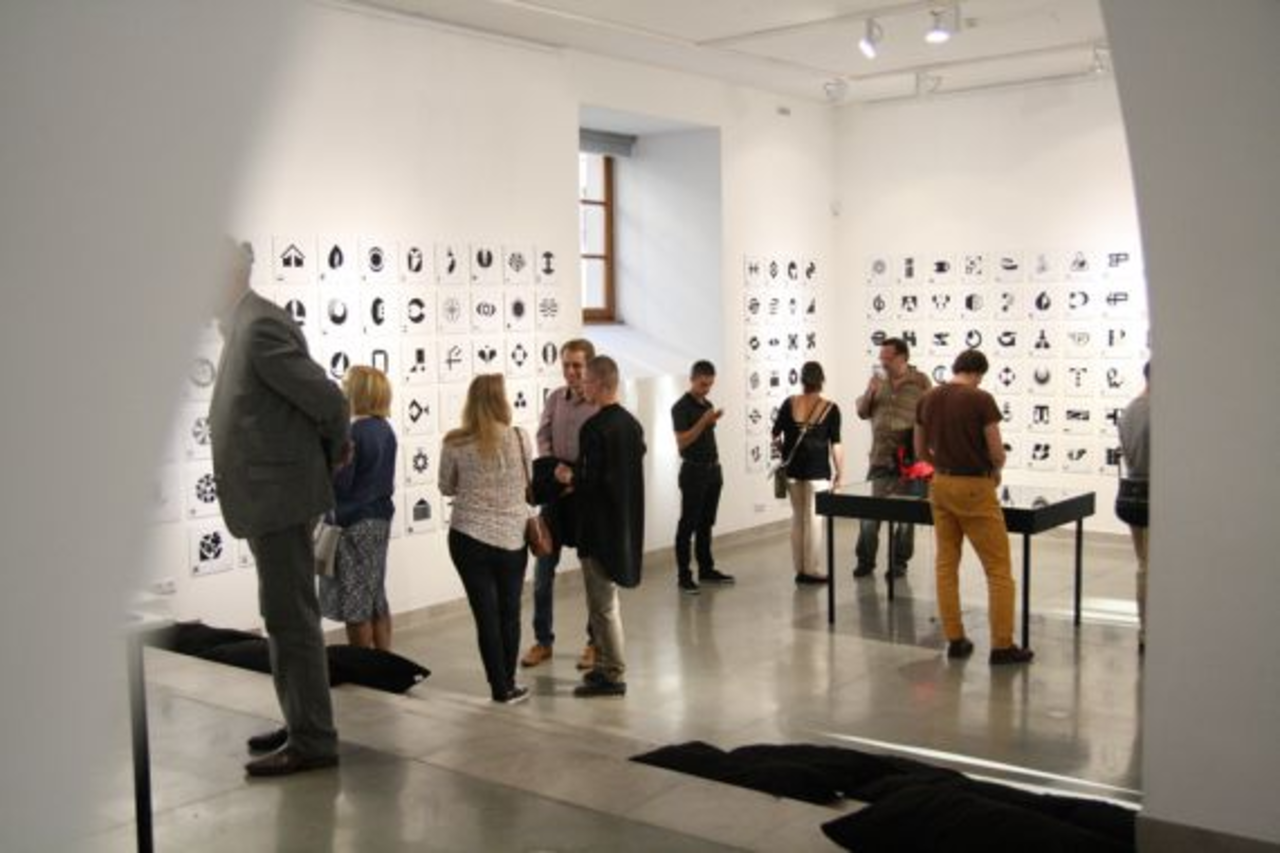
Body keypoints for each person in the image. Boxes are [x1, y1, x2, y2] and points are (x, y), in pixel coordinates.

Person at [209, 240, 350, 777]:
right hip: (271, 499)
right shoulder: (241, 326)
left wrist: (332, 451)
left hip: (282, 499)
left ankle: (313, 738)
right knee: (283, 617)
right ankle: (301, 721)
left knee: (291, 619)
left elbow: (328, 400)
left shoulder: (258, 327)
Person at [914, 349, 1033, 666]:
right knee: (998, 569)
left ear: (956, 368)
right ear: (978, 373)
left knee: (946, 564)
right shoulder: (980, 399)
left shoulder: (927, 399)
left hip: (940, 484)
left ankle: (955, 639)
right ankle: (1002, 645)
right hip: (975, 487)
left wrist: (941, 464)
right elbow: (996, 451)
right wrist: (996, 468)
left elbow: (919, 449)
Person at [439, 374, 533, 704]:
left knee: (485, 616)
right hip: (512, 538)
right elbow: (529, 482)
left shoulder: (454, 442)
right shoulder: (520, 437)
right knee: (510, 612)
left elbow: (446, 487)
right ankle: (509, 682)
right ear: (501, 400)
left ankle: (499, 687)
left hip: (468, 537)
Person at [555, 356, 645, 697]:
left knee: (603, 605)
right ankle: (605, 664)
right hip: (623, 524)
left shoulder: (594, 428)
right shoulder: (631, 425)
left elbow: (590, 482)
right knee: (603, 602)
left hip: (597, 528)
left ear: (599, 383)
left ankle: (613, 673)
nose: (582, 387)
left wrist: (568, 475)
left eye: (586, 382)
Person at [520, 338, 599, 670]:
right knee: (542, 573)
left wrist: (575, 478)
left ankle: (595, 643)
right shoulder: (554, 398)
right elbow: (542, 437)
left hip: (586, 499)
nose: (571, 371)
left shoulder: (599, 404)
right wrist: (555, 470)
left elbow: (601, 451)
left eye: (577, 365)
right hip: (555, 496)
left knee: (593, 576)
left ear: (589, 366)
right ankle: (543, 641)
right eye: (566, 365)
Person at [319, 366, 397, 651]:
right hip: (379, 519)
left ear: (357, 392)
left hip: (353, 524)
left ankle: (363, 667)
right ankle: (385, 661)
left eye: (346, 386)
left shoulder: (353, 432)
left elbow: (341, 485)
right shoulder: (385, 430)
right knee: (376, 596)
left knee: (356, 604)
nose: (342, 391)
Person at [853, 338, 932, 580]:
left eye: (887, 357)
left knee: (905, 518)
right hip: (879, 458)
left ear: (902, 357)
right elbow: (862, 412)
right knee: (869, 515)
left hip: (909, 463)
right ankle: (865, 561)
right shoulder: (879, 382)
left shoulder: (921, 382)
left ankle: (899, 563)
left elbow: (931, 416)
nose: (883, 362)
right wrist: (870, 391)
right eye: (881, 357)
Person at [771, 361, 844, 585]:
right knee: (814, 520)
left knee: (798, 518)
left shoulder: (789, 403)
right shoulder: (830, 408)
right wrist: (840, 473)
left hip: (793, 470)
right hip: (818, 472)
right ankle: (811, 570)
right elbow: (836, 444)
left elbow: (775, 435)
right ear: (822, 380)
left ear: (802, 380)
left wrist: (783, 454)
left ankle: (800, 569)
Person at [671, 360, 734, 595]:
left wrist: (710, 421)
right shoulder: (680, 407)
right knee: (688, 524)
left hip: (713, 471)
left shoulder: (707, 404)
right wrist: (703, 422)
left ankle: (706, 569)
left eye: (710, 385)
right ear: (692, 379)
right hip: (693, 472)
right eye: (703, 384)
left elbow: (704, 435)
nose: (706, 389)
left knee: (706, 523)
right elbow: (682, 442)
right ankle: (684, 576)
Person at [1118, 361, 1151, 653]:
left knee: (1144, 564)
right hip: (1153, 495)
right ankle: (1150, 629)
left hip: (1132, 494)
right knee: (1152, 566)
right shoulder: (1158, 411)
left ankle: (1145, 629)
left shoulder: (1129, 411)